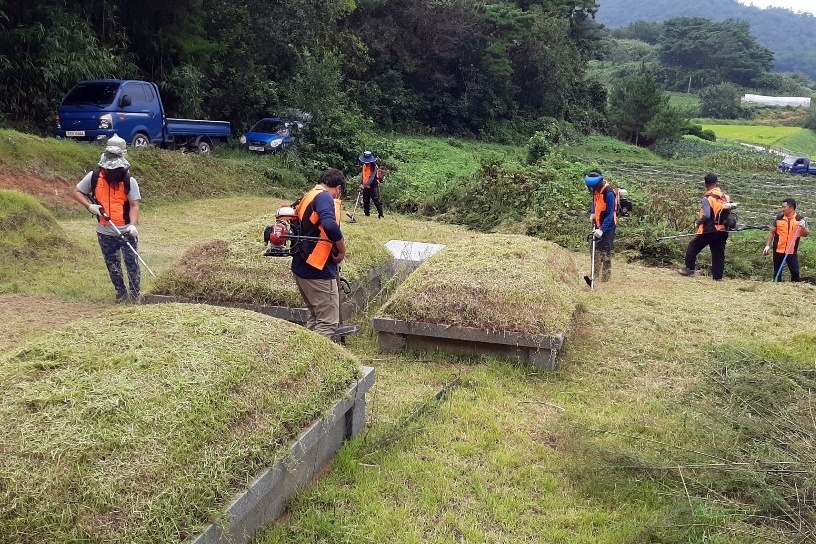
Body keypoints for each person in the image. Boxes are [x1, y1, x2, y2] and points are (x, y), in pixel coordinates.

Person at [73, 134, 142, 303]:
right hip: (104, 231)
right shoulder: (94, 177)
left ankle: (135, 295)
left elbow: (134, 205)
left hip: (126, 231)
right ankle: (120, 293)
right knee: (112, 264)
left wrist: (132, 226)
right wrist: (89, 206)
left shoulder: (128, 181)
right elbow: (77, 192)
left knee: (131, 263)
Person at [291, 168, 347, 337]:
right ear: (338, 188)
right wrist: (342, 249)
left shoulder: (309, 195)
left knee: (316, 317)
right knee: (327, 322)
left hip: (302, 264)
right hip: (317, 268)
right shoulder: (324, 197)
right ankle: (316, 362)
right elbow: (329, 225)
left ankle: (305, 355)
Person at [678, 173, 736, 281]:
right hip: (723, 229)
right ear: (717, 183)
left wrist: (698, 222)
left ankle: (689, 269)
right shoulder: (725, 197)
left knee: (693, 246)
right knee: (718, 253)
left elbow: (707, 215)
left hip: (709, 230)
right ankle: (718, 277)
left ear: (705, 184)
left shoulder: (708, 198)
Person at [763, 198, 810, 282]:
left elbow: (806, 234)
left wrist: (803, 227)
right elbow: (772, 232)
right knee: (777, 272)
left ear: (791, 208)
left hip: (791, 251)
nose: (782, 209)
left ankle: (794, 288)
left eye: (784, 207)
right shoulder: (779, 218)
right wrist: (767, 246)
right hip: (778, 250)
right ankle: (776, 288)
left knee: (795, 272)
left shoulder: (800, 219)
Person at [585, 170, 617, 282]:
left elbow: (610, 214)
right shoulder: (596, 190)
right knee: (594, 249)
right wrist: (593, 213)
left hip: (608, 227)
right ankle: (594, 274)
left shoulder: (609, 193)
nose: (592, 190)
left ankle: (606, 277)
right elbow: (594, 203)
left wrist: (602, 230)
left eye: (593, 187)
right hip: (598, 224)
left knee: (605, 252)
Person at [359, 150, 384, 218]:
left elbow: (372, 178)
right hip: (365, 186)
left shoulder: (374, 167)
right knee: (365, 201)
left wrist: (364, 185)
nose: (366, 163)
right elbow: (363, 175)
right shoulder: (364, 165)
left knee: (376, 200)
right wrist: (362, 183)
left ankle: (381, 215)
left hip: (373, 186)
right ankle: (367, 214)